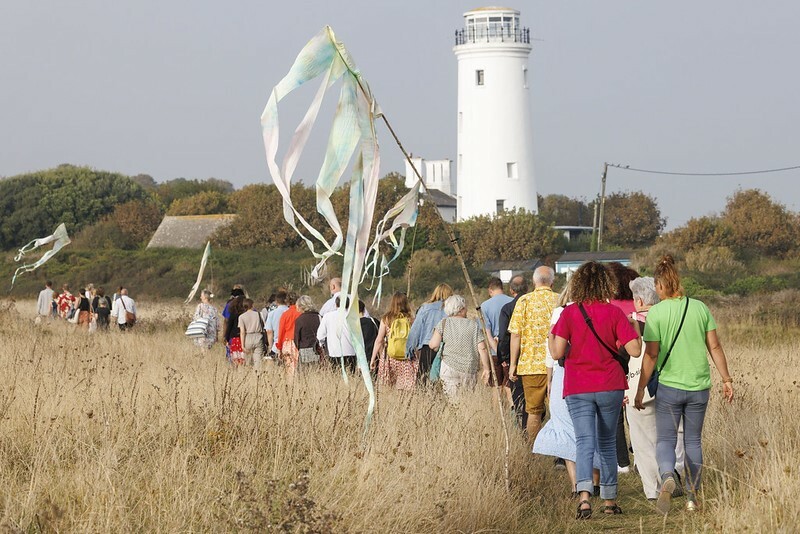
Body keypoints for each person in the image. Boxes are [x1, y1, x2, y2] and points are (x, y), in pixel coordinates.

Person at [635, 255, 734, 514]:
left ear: (659, 287)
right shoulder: (700, 308)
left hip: (669, 387)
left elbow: (651, 355)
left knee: (666, 439)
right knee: (693, 441)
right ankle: (692, 497)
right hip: (699, 386)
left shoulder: (655, 313)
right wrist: (726, 379)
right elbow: (714, 346)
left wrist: (639, 389)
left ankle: (668, 475)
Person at [551, 261, 641, 519]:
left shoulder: (569, 314)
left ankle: (584, 498)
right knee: (607, 442)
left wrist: (551, 335)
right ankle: (610, 500)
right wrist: (632, 329)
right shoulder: (613, 313)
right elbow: (634, 350)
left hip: (578, 385)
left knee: (584, 441)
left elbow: (557, 352)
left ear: (578, 284)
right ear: (606, 284)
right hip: (610, 384)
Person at [533, 280, 601, 497]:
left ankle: (576, 485)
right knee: (592, 426)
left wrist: (550, 379)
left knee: (566, 428)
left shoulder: (560, 313)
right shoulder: (599, 309)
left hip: (566, 373)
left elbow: (551, 351)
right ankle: (596, 482)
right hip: (594, 373)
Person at [625, 277, 686, 502]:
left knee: (643, 438)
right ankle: (675, 473)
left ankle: (653, 489)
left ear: (639, 300)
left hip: (638, 384)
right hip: (672, 382)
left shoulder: (631, 322)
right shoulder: (672, 318)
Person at [508, 266, 558, 441]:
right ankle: (560, 455)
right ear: (552, 281)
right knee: (558, 412)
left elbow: (515, 334)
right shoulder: (559, 300)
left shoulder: (524, 301)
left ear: (534, 281)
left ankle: (534, 450)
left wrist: (513, 364)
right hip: (557, 363)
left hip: (530, 365)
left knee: (533, 412)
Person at [607, 262, 641, 473]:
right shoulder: (638, 304)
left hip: (616, 359)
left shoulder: (609, 304)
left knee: (617, 411)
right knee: (636, 410)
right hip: (638, 356)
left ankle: (622, 462)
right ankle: (640, 456)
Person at [428, 295, 491, 398]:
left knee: (452, 401)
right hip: (469, 368)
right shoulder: (473, 325)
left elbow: (433, 345)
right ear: (461, 309)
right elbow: (482, 349)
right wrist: (486, 368)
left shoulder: (443, 323)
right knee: (467, 400)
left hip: (449, 367)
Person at [497, 275, 529, 428]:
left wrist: (503, 356)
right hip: (534, 357)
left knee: (518, 395)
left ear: (511, 290)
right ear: (528, 288)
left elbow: (503, 336)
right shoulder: (533, 305)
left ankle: (521, 427)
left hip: (514, 358)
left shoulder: (507, 308)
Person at [405, 283, 453, 380]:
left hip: (428, 346)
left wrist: (409, 349)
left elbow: (415, 330)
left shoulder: (425, 308)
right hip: (448, 347)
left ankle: (424, 394)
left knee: (424, 377)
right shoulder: (452, 310)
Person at [370, 292, 417, 390]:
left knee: (388, 387)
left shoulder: (386, 319)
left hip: (390, 357)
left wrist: (373, 358)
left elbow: (379, 340)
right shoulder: (411, 320)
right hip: (407, 357)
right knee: (407, 388)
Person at [480, 277, 513, 390]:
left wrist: (499, 355)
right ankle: (513, 407)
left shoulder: (484, 306)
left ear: (490, 290)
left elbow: (487, 333)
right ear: (502, 288)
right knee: (510, 384)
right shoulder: (512, 302)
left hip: (495, 352)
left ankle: (497, 408)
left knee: (496, 386)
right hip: (511, 351)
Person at [317, 296, 357, 374]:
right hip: (351, 352)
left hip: (334, 353)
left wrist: (321, 344)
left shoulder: (327, 316)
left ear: (336, 304)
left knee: (337, 377)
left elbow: (320, 335)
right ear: (348, 305)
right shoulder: (353, 317)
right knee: (350, 377)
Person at [294, 295, 322, 371]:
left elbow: (296, 339)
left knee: (305, 375)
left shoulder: (299, 320)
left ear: (301, 306)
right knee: (317, 372)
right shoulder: (319, 317)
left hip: (304, 350)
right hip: (317, 350)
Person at [277, 293, 302, 375]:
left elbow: (281, 332)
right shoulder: (300, 313)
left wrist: (279, 347)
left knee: (289, 368)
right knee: (299, 367)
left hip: (287, 342)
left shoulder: (285, 314)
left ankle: (291, 384)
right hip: (298, 342)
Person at [239, 298, 266, 371]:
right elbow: (264, 325)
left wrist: (242, 345)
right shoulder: (259, 314)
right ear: (252, 305)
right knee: (258, 361)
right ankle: (257, 376)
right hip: (258, 337)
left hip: (247, 338)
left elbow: (242, 332)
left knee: (247, 362)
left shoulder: (241, 317)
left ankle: (248, 376)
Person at [265, 290, 289, 359]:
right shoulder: (289, 311)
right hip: (289, 343)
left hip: (276, 344)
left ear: (276, 301)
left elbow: (269, 331)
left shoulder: (272, 313)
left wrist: (270, 346)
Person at [224, 294, 245, 365]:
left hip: (235, 338)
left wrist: (226, 337)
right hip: (245, 338)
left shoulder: (233, 314)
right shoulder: (245, 314)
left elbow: (229, 326)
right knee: (243, 357)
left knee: (235, 356)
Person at [359, 300, 380, 369]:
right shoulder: (374, 321)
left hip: (359, 359)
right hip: (375, 357)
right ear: (364, 310)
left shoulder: (353, 325)